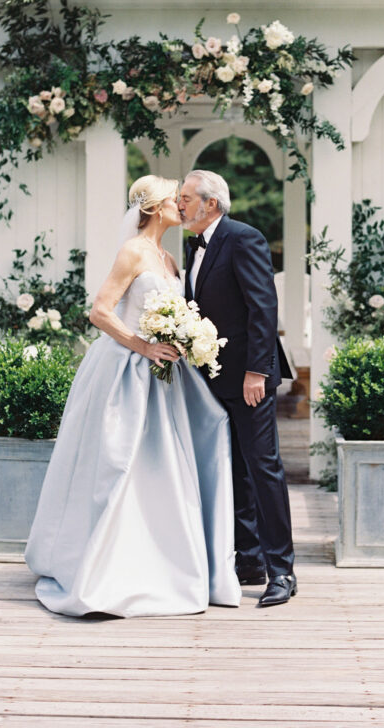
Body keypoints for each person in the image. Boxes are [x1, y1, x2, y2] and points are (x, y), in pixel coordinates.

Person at [25, 175, 241, 617]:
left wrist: (185, 339)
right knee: (119, 464)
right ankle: (105, 567)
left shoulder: (169, 258)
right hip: (126, 369)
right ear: (154, 208)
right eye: (173, 200)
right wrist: (144, 345)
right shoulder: (133, 252)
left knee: (165, 467)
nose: (181, 207)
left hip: (167, 377)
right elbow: (100, 312)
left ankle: (164, 563)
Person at [178, 170, 297, 608]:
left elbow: (263, 306)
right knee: (234, 470)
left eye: (186, 197)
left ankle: (282, 570)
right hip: (210, 379)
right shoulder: (192, 247)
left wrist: (256, 373)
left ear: (210, 203)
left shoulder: (244, 238)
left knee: (264, 468)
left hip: (249, 378)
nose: (179, 204)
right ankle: (249, 560)